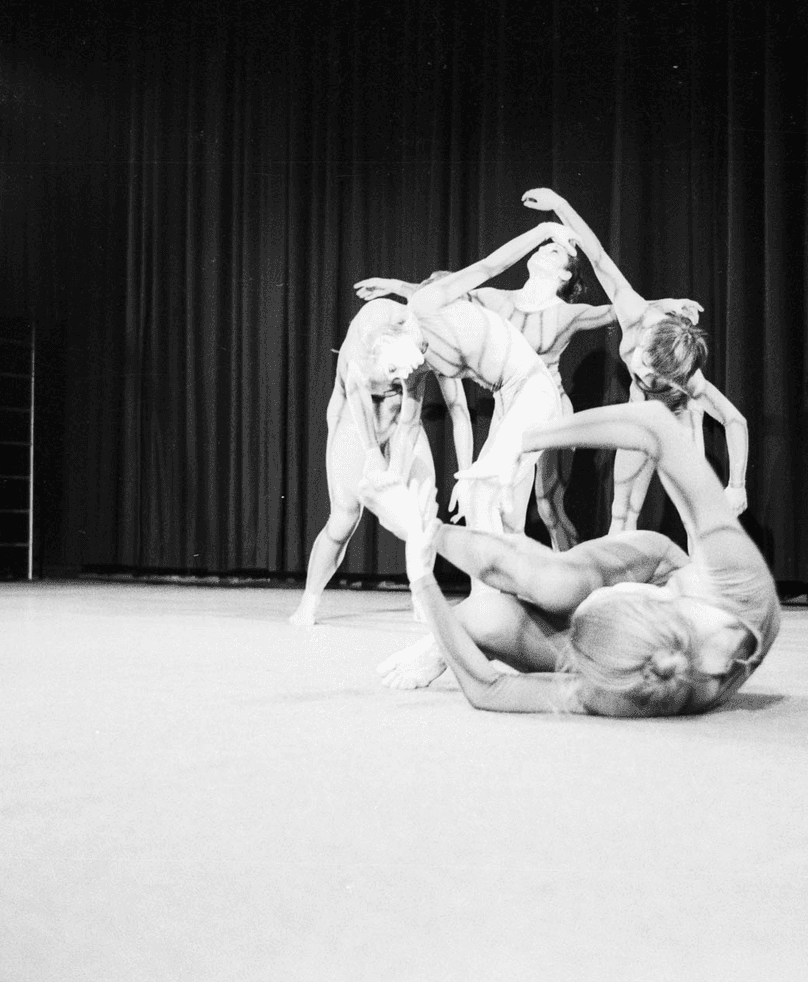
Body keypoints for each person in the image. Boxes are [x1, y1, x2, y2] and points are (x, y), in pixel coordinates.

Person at [358, 400, 780, 715]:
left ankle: (426, 548)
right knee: (556, 586)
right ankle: (434, 532)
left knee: (488, 618)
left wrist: (421, 574)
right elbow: (656, 422)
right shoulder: (736, 576)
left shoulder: (629, 688)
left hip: (651, 634)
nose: (570, 614)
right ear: (653, 601)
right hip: (663, 566)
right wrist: (524, 443)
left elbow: (490, 691)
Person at [356, 242, 700, 550]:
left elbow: (617, 310)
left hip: (546, 406)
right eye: (543, 246)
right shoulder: (499, 299)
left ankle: (559, 572)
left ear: (565, 274)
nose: (542, 250)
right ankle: (516, 580)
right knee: (503, 502)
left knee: (548, 504)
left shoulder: (567, 313)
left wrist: (665, 304)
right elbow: (441, 293)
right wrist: (393, 287)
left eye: (554, 251)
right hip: (508, 405)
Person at [517, 188, 751, 535]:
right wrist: (561, 205)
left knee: (694, 515)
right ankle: (618, 584)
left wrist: (737, 484)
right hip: (638, 417)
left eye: (652, 373)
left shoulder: (687, 377)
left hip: (676, 421)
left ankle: (705, 580)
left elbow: (734, 420)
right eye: (641, 360)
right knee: (622, 511)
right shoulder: (633, 312)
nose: (639, 370)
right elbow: (597, 257)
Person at [288, 298, 473, 627]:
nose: (400, 374)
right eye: (392, 370)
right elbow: (355, 398)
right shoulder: (363, 337)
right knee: (344, 516)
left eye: (404, 372)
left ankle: (422, 595)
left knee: (420, 513)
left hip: (398, 417)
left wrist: (396, 475)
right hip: (355, 417)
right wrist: (373, 455)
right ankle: (309, 600)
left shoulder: (421, 350)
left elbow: (410, 423)